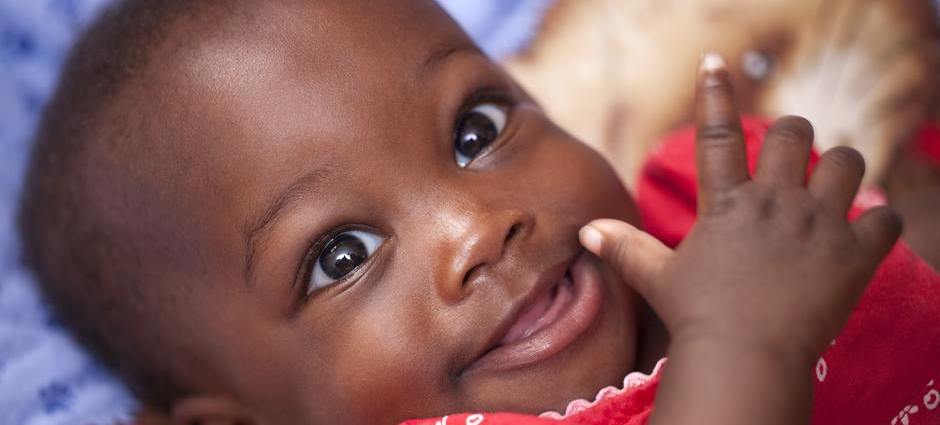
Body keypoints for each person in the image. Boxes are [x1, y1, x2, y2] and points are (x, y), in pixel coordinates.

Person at [17, 1, 939, 424]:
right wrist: (747, 346)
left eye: (476, 128)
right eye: (340, 255)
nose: (476, 222)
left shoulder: (711, 206)